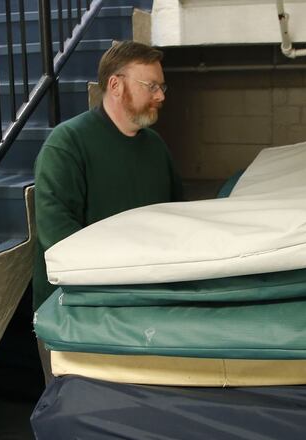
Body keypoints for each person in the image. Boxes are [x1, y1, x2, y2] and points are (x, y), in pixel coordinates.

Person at [32, 41, 183, 379]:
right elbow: (58, 238)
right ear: (116, 85)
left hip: (141, 313)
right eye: (151, 86)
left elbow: (176, 221)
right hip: (74, 317)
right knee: (74, 406)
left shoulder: (156, 147)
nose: (161, 96)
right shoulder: (66, 144)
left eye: (162, 86)